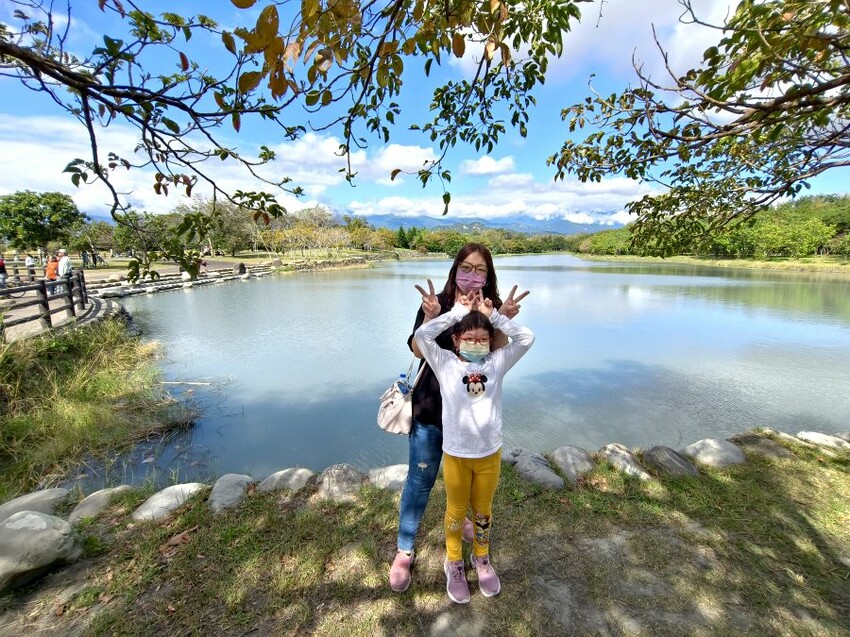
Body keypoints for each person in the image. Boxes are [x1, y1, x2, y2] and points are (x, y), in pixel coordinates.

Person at [389, 243, 529, 593]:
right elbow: (418, 349)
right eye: (466, 267)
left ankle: (464, 524)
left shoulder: (491, 305)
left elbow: (497, 353)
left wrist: (500, 317)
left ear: (489, 275)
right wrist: (438, 315)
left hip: (472, 415)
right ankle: (405, 550)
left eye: (480, 269)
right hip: (430, 408)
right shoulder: (436, 301)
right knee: (420, 481)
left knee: (465, 482)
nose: (473, 275)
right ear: (455, 269)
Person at [415, 287, 534, 603]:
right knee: (455, 512)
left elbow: (527, 338)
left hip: (488, 454)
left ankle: (481, 557)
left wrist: (495, 317)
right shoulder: (445, 363)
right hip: (456, 454)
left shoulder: (497, 363)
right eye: (469, 339)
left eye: (483, 339)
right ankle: (453, 561)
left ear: (491, 342)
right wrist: (456, 313)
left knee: (483, 512)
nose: (476, 343)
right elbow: (423, 337)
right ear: (456, 341)